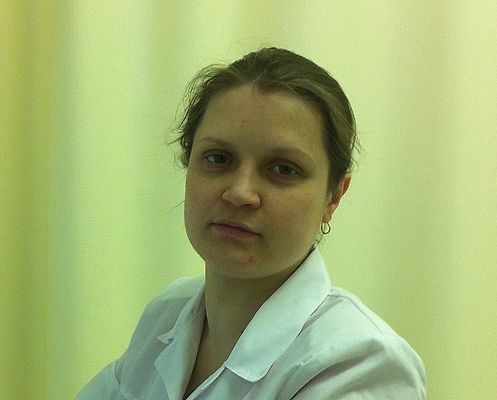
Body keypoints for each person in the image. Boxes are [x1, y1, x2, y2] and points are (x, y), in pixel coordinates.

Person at [77, 47, 426, 399]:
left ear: (333, 196)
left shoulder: (358, 364)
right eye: (218, 158)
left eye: (283, 169)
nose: (240, 193)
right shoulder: (167, 314)